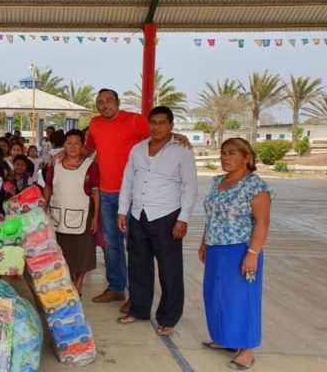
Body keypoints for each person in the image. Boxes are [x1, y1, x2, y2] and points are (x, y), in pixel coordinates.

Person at [115, 106, 198, 336]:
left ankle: (168, 318)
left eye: (162, 123)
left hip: (167, 216)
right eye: (153, 122)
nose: (157, 127)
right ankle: (139, 310)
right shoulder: (138, 149)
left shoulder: (182, 150)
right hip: (138, 214)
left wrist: (183, 218)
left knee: (169, 270)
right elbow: (128, 181)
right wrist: (123, 210)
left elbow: (190, 187)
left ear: (171, 126)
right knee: (139, 266)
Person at [200, 138, 271, 370]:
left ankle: (247, 350)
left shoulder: (255, 185)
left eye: (232, 153)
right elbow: (212, 216)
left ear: (247, 158)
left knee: (242, 298)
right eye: (223, 153)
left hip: (240, 249)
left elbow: (262, 223)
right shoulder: (219, 181)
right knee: (216, 295)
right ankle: (225, 338)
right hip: (215, 247)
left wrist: (252, 254)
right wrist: (204, 243)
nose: (225, 157)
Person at [84, 89, 152, 310]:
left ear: (118, 102)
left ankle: (137, 294)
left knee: (135, 245)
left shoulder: (135, 120)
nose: (105, 105)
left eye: (109, 101)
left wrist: (176, 137)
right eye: (100, 102)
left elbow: (155, 140)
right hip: (106, 193)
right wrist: (66, 153)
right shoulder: (94, 124)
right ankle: (116, 288)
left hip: (132, 194)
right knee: (112, 245)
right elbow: (89, 149)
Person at [43, 129, 99, 295]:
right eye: (69, 143)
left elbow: (96, 192)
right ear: (64, 145)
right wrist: (43, 207)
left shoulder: (90, 166)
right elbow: (48, 187)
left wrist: (96, 217)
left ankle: (79, 285)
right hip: (57, 214)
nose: (73, 146)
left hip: (82, 213)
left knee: (83, 253)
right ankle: (64, 282)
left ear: (83, 146)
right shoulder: (55, 164)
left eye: (77, 143)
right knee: (61, 252)